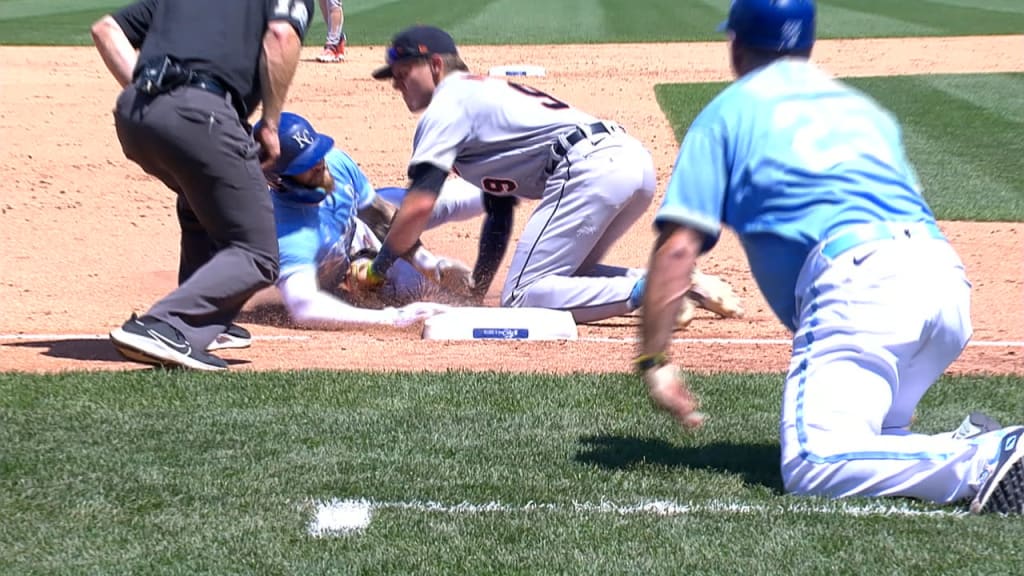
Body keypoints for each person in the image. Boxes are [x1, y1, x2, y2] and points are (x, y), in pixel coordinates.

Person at [635, 0, 1024, 515]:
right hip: (942, 281)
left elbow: (679, 248)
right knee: (873, 435)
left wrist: (654, 359)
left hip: (862, 285)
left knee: (815, 462)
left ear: (738, 44)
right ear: (807, 43)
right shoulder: (864, 110)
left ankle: (987, 455)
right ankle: (960, 441)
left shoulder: (728, 113)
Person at [356, 25, 743, 326]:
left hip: (587, 167)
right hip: (627, 162)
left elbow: (419, 205)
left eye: (404, 72)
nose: (396, 82)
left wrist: (377, 270)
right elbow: (499, 207)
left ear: (435, 65)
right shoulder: (483, 97)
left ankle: (656, 290)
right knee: (570, 277)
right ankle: (677, 279)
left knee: (522, 296)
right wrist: (479, 286)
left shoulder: (447, 104)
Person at [91, 0, 314, 370]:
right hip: (202, 114)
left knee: (199, 200)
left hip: (134, 113)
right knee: (257, 254)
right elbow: (281, 35)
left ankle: (206, 320)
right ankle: (167, 325)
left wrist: (158, 95)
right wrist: (271, 124)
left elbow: (105, 29)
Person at [260, 112, 486, 329]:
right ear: (279, 180)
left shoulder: (336, 164)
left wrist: (427, 263)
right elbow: (305, 308)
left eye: (317, 153)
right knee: (416, 298)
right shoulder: (288, 234)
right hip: (330, 270)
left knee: (424, 273)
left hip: (353, 236)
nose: (319, 163)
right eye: (305, 164)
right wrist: (393, 318)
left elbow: (380, 218)